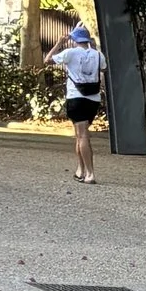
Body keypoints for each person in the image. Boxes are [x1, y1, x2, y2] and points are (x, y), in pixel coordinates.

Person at [55, 21, 103, 181]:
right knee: (80, 135)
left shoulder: (70, 53)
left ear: (74, 39)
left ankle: (90, 173)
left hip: (76, 97)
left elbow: (48, 59)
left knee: (83, 136)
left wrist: (59, 43)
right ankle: (80, 170)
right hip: (93, 99)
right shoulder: (98, 54)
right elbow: (103, 68)